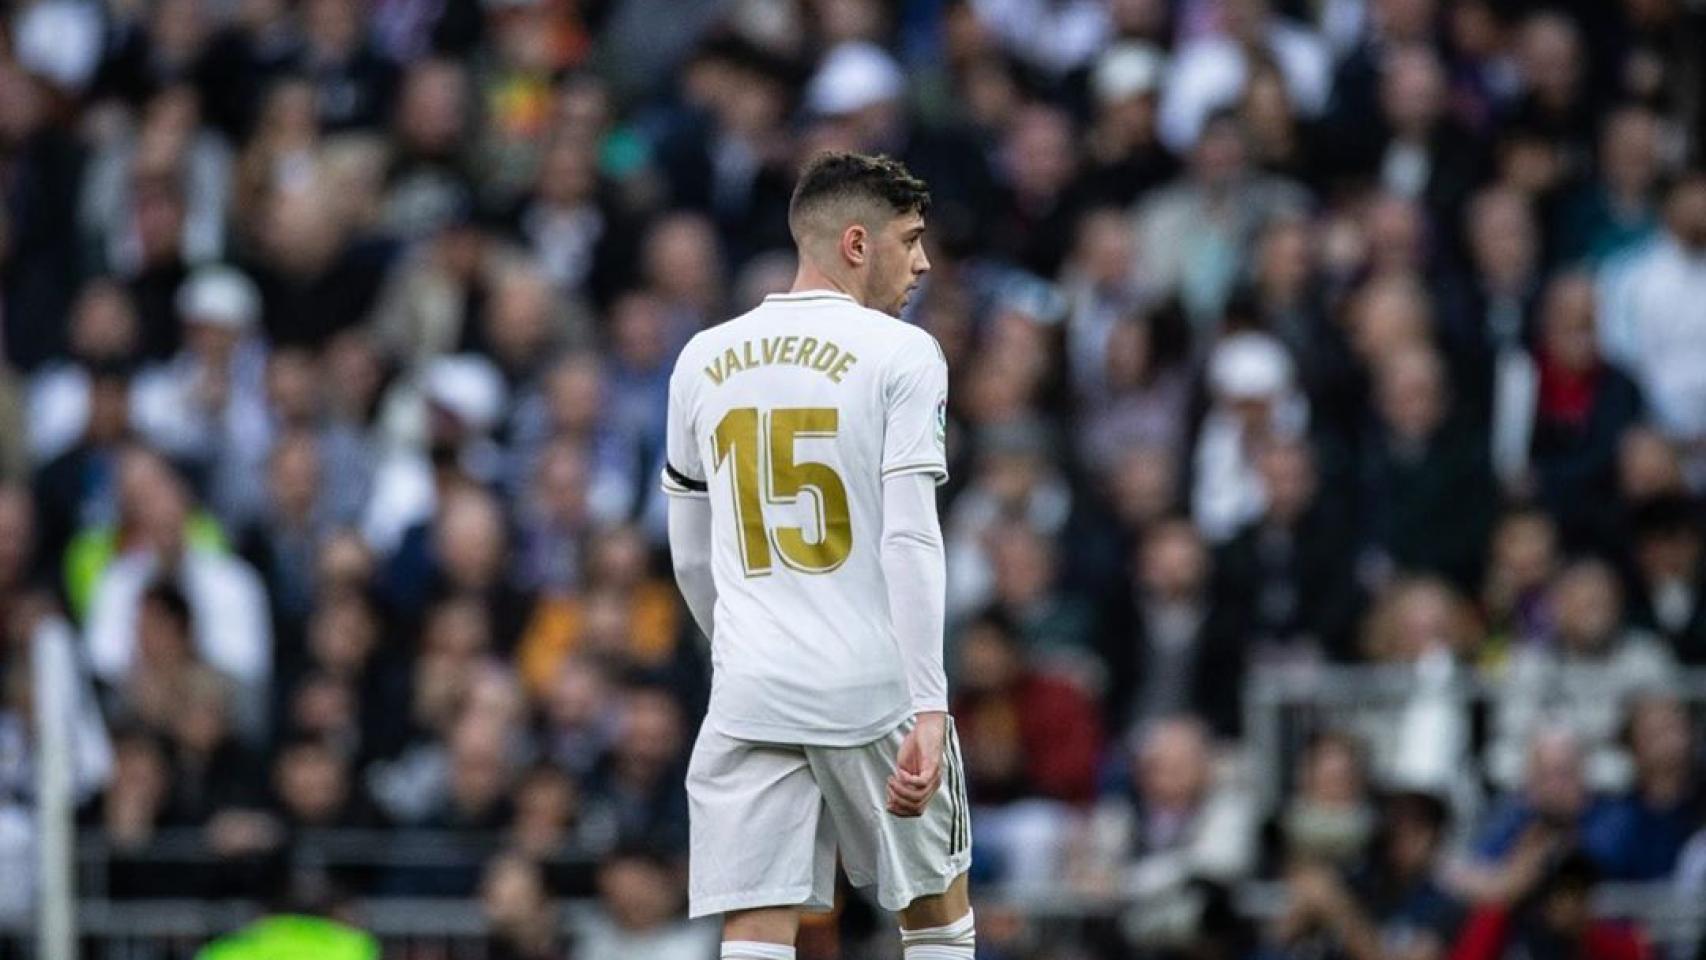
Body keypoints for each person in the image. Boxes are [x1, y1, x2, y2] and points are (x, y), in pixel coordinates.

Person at [662, 152, 974, 960]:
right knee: (936, 914)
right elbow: (909, 535)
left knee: (757, 928)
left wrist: (737, 645)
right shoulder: (903, 353)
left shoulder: (702, 358)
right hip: (872, 684)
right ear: (859, 244)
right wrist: (930, 704)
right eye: (912, 240)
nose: (924, 262)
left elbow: (692, 558)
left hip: (751, 687)